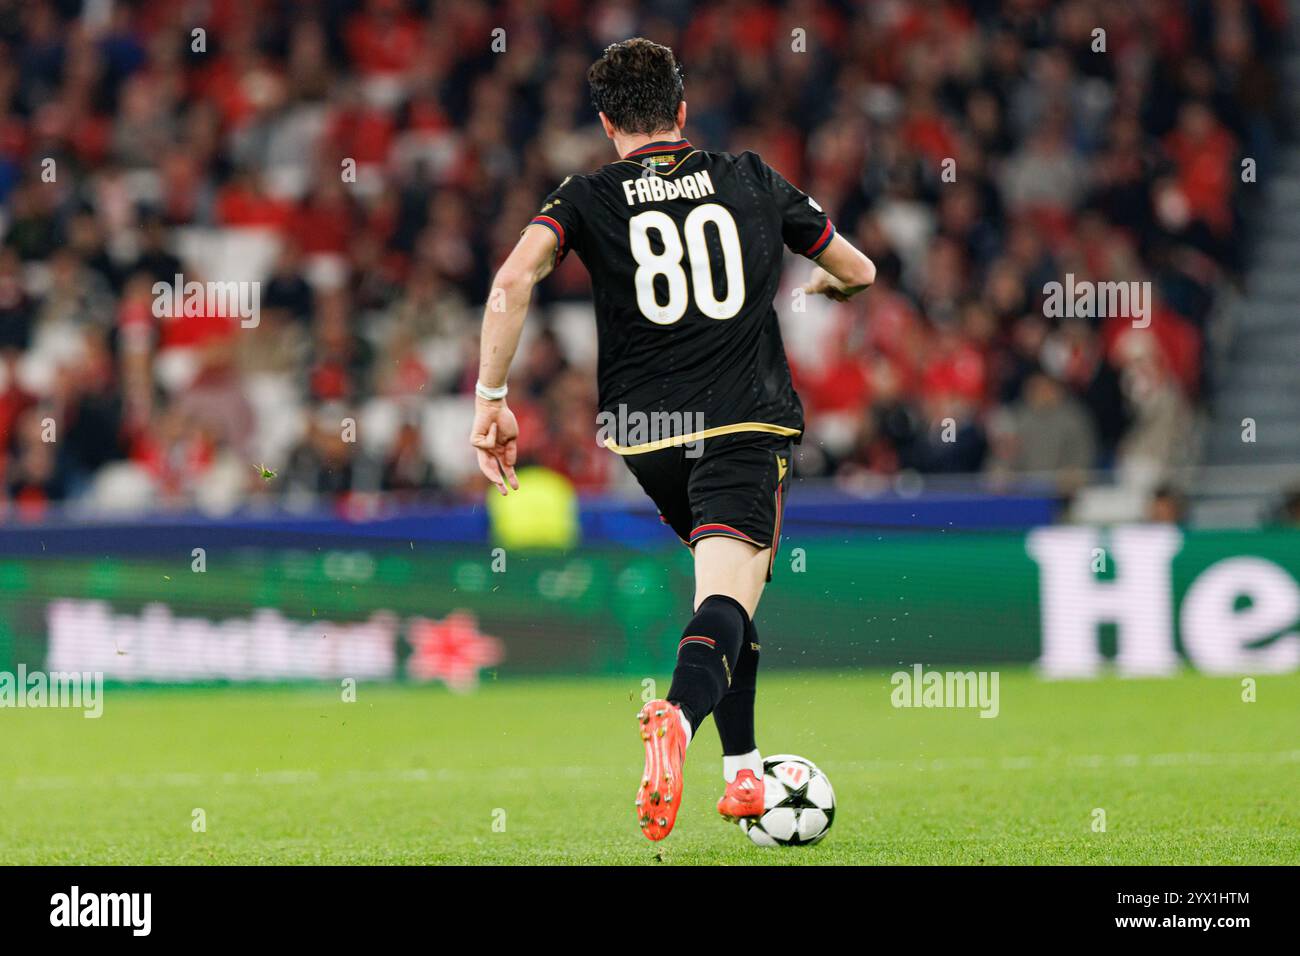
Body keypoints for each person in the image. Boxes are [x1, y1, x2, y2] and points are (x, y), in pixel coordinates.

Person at [468, 38, 875, 841]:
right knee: (730, 593)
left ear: (606, 121)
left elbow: (512, 281)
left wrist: (492, 400)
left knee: (723, 593)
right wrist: (827, 287)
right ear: (683, 110)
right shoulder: (752, 177)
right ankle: (680, 723)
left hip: (647, 438)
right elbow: (857, 269)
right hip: (743, 421)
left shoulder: (586, 195)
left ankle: (745, 772)